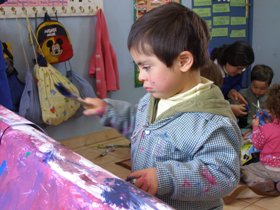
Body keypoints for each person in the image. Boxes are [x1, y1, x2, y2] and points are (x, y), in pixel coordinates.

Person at [83, 3, 241, 210]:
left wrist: (165, 178)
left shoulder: (212, 123)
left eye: (146, 67)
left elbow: (223, 176)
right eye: (138, 67)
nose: (140, 76)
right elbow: (139, 125)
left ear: (183, 61)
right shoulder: (153, 99)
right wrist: (108, 110)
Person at [240, 84, 280, 196]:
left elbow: (257, 145)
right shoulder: (269, 127)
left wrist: (256, 127)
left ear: (271, 110)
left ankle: (261, 182)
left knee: (244, 169)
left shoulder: (266, 129)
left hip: (268, 168)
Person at [210, 41, 255, 117]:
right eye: (239, 68)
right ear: (227, 61)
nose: (240, 72)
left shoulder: (238, 68)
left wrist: (232, 91)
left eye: (243, 68)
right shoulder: (209, 71)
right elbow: (204, 102)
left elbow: (237, 84)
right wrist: (229, 108)